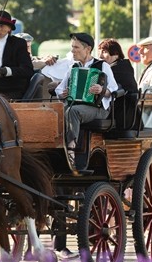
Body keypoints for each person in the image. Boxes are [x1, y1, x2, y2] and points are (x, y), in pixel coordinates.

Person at [54, 33, 119, 165]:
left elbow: (114, 89)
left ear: (88, 49)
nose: (72, 51)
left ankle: (71, 149)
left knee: (73, 111)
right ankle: (54, 146)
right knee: (55, 112)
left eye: (76, 47)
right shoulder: (73, 67)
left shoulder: (102, 66)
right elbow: (59, 90)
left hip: (98, 108)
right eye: (72, 47)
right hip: (75, 105)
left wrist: (102, 90)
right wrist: (63, 94)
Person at [96, 38, 138, 129]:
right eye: (99, 52)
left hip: (121, 116)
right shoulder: (125, 65)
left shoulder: (116, 69)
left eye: (104, 51)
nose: (100, 56)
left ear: (115, 53)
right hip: (130, 117)